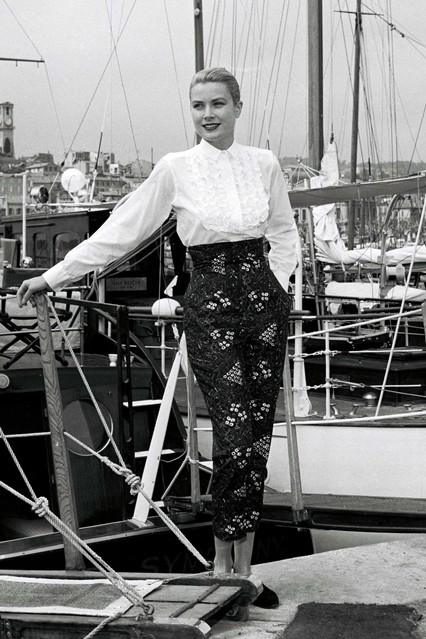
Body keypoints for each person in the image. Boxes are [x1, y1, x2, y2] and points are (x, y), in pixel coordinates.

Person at [17, 67, 298, 607]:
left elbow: (284, 232)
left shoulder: (264, 164)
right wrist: (54, 277)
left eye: (218, 103)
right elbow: (122, 230)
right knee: (235, 432)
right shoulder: (176, 168)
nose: (208, 114)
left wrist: (278, 287)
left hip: (263, 308)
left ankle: (246, 571)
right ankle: (221, 568)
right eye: (198, 106)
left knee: (257, 437)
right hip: (210, 307)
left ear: (237, 107)